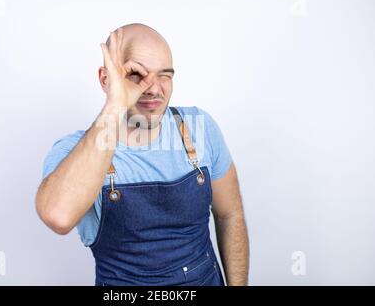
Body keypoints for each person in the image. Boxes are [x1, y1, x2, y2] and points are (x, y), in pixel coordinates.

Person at [36, 23, 249, 286]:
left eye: (164, 75)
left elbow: (230, 215)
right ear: (106, 79)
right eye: (136, 75)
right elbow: (58, 216)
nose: (153, 88)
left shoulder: (199, 128)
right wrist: (116, 103)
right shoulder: (75, 152)